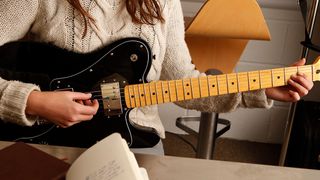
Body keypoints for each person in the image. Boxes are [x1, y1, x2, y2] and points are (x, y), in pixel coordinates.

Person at [0, 0, 313, 154]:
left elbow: (185, 84)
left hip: (135, 138)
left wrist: (258, 90)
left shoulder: (162, 1)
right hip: (45, 136)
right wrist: (33, 101)